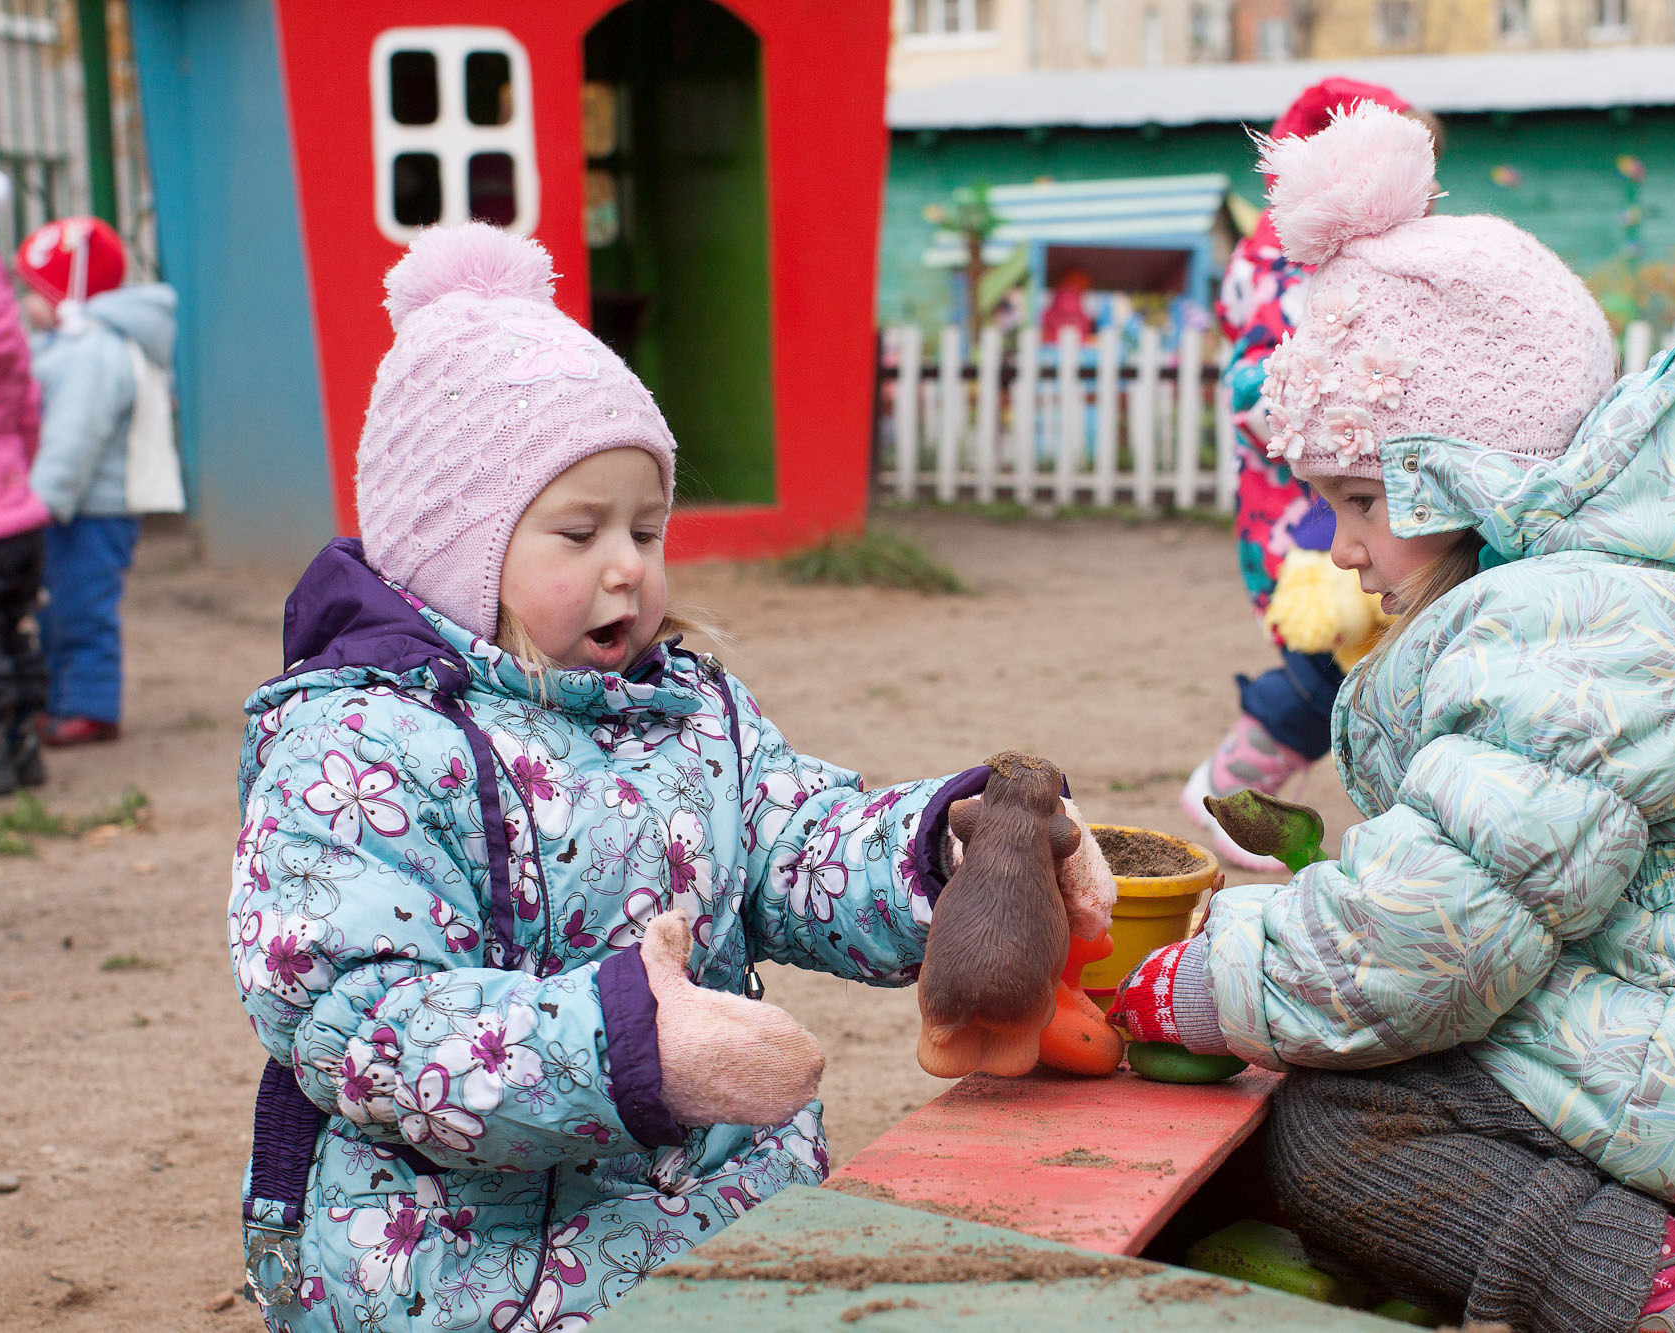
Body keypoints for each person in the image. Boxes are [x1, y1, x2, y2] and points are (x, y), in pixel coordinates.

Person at [1110, 104, 1675, 1333]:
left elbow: (1431, 936)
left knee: (1344, 1132)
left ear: (1464, 477)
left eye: (1357, 500)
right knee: (1619, 1128)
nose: (1340, 548)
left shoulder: (1556, 632)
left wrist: (1211, 978)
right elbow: (1491, 876)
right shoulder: (1651, 587)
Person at [228, 223, 1115, 1332]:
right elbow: (362, 1019)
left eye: (647, 528)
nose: (627, 566)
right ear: (451, 548)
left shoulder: (689, 710)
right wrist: (629, 1053)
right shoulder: (361, 749)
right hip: (469, 1279)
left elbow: (796, 840)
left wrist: (947, 847)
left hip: (727, 1233)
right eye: (577, 530)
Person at [1182, 76, 1431, 873]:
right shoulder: (1288, 266)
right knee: (1341, 648)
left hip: (1342, 504)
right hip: (1307, 519)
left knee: (1389, 652)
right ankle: (1233, 777)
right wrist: (1355, 405)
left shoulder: (1326, 257)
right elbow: (1253, 391)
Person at [15, 214, 179, 747]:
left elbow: (73, 439)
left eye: (36, 290)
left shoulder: (91, 352)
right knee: (57, 607)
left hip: (90, 508)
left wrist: (40, 503)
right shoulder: (70, 343)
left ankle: (89, 707)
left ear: (71, 291)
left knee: (81, 607)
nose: (25, 302)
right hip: (73, 505)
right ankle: (61, 702)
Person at [0, 169, 48, 793]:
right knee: (14, 631)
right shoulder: (12, 339)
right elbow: (29, 417)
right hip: (19, 517)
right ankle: (24, 743)